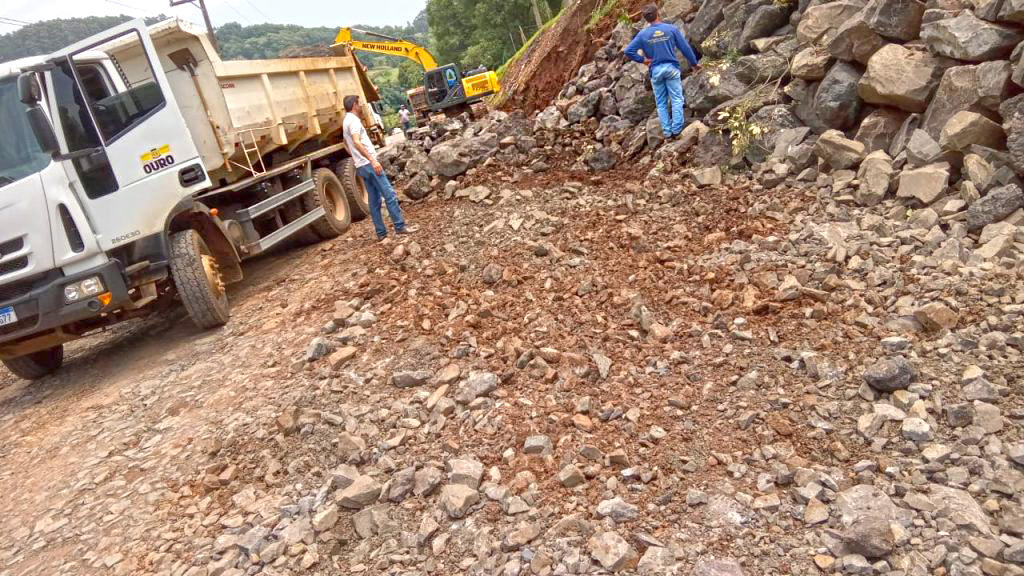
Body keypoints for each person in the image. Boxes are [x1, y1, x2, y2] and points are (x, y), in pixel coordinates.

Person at [624, 3, 700, 140]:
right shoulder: (671, 29)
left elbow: (628, 51)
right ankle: (677, 130)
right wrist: (694, 64)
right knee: (677, 99)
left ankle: (667, 133)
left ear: (646, 19)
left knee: (661, 103)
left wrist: (643, 60)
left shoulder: (642, 35)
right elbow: (685, 48)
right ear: (658, 14)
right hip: (671, 68)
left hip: (656, 71)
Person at [342, 95, 408, 241]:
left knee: (374, 201)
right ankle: (400, 226)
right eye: (358, 104)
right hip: (369, 164)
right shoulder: (353, 121)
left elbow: (345, 144)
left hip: (361, 166)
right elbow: (356, 142)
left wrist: (356, 158)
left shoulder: (345, 121)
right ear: (354, 105)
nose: (360, 106)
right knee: (389, 195)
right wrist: (372, 160)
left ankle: (381, 233)